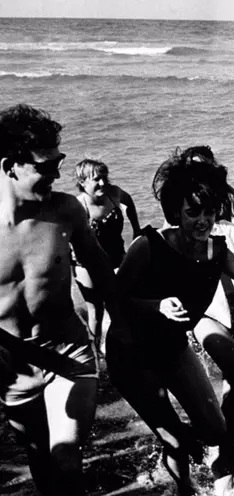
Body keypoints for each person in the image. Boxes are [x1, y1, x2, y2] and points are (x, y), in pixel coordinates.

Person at [105, 150, 234, 496]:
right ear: (174, 211)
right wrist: (157, 306)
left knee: (214, 431)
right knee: (176, 441)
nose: (204, 220)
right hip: (130, 353)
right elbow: (115, 300)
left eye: (210, 211)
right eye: (193, 211)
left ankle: (181, 444)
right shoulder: (149, 245)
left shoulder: (216, 249)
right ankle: (184, 483)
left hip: (172, 349)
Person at [0, 104, 123, 495]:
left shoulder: (66, 210)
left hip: (68, 353)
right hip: (11, 367)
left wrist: (141, 314)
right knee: (40, 460)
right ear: (9, 166)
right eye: (45, 166)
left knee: (66, 458)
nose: (56, 174)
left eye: (59, 162)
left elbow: (103, 274)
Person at [73, 158, 141, 352]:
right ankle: (94, 358)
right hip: (86, 264)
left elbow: (129, 202)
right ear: (82, 182)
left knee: (120, 306)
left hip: (115, 255)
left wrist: (136, 229)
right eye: (96, 179)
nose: (102, 183)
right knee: (96, 311)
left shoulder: (115, 193)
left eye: (104, 177)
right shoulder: (79, 207)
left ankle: (123, 353)